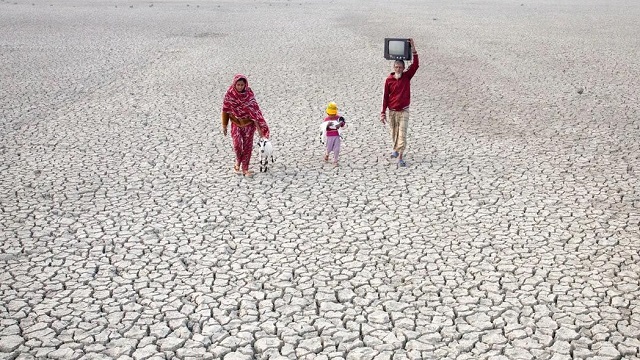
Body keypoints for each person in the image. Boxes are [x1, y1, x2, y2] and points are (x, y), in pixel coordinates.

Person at [221, 74, 270, 177]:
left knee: (247, 147)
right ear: (234, 84)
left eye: (242, 85)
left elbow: (254, 111)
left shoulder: (249, 95)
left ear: (245, 85)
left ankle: (245, 169)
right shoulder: (230, 95)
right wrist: (225, 125)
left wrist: (259, 128)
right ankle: (238, 161)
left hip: (248, 124)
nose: (239, 87)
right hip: (236, 123)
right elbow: (225, 110)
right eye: (238, 84)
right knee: (237, 145)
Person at [380, 38, 419, 167]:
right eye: (396, 67)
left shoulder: (407, 77)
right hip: (392, 111)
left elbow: (416, 65)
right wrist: (383, 113)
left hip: (403, 111)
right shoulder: (389, 80)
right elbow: (385, 97)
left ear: (403, 68)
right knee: (394, 133)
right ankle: (396, 150)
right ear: (394, 67)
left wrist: (413, 48)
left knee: (402, 134)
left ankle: (400, 156)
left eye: (400, 67)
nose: (398, 69)